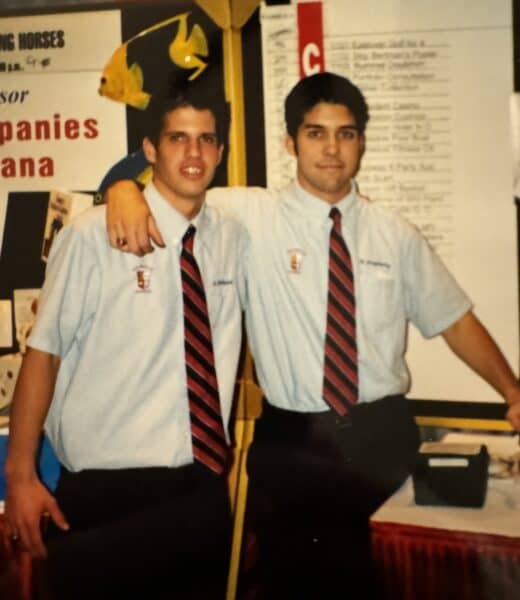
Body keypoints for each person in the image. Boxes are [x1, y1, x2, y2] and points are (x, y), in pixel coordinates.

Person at [104, 72, 520, 598]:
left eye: (345, 134)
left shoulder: (396, 235)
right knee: (297, 586)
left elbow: (454, 320)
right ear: (290, 142)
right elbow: (174, 184)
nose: (331, 148)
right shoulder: (250, 215)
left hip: (381, 438)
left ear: (361, 143)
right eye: (315, 132)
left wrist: (511, 390)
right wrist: (123, 187)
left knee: (386, 582)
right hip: (293, 446)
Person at [4, 81, 247, 600]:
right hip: (106, 497)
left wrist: (121, 185)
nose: (194, 153)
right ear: (151, 151)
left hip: (199, 492)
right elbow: (43, 355)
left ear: (221, 152)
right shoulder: (91, 236)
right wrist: (20, 477)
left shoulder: (234, 235)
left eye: (206, 140)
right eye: (178, 139)